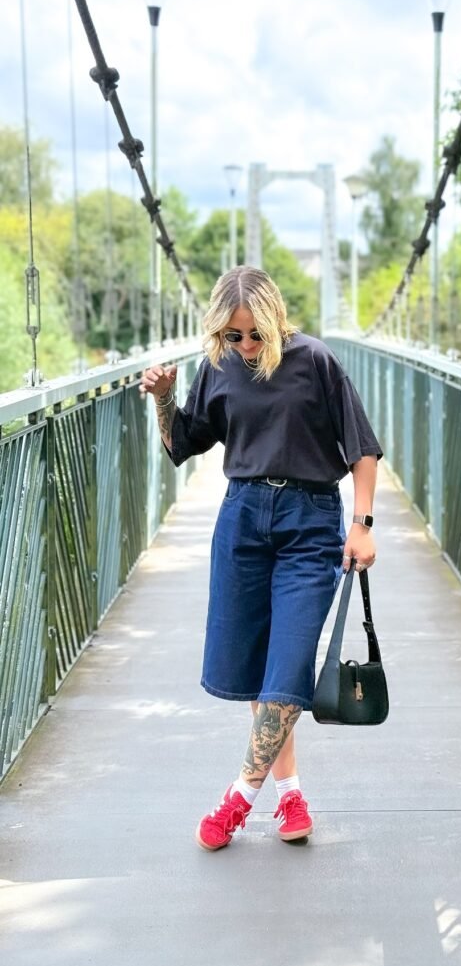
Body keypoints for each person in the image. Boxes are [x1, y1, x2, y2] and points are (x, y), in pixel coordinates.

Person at [139, 265, 382, 851]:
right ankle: (290, 793)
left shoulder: (315, 361)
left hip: (310, 521)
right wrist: (164, 399)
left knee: (292, 659)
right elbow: (182, 445)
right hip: (243, 518)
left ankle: (238, 798)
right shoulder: (218, 367)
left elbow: (363, 448)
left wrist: (362, 524)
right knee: (259, 667)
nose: (245, 346)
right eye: (232, 336)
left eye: (254, 334)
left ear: (275, 321)